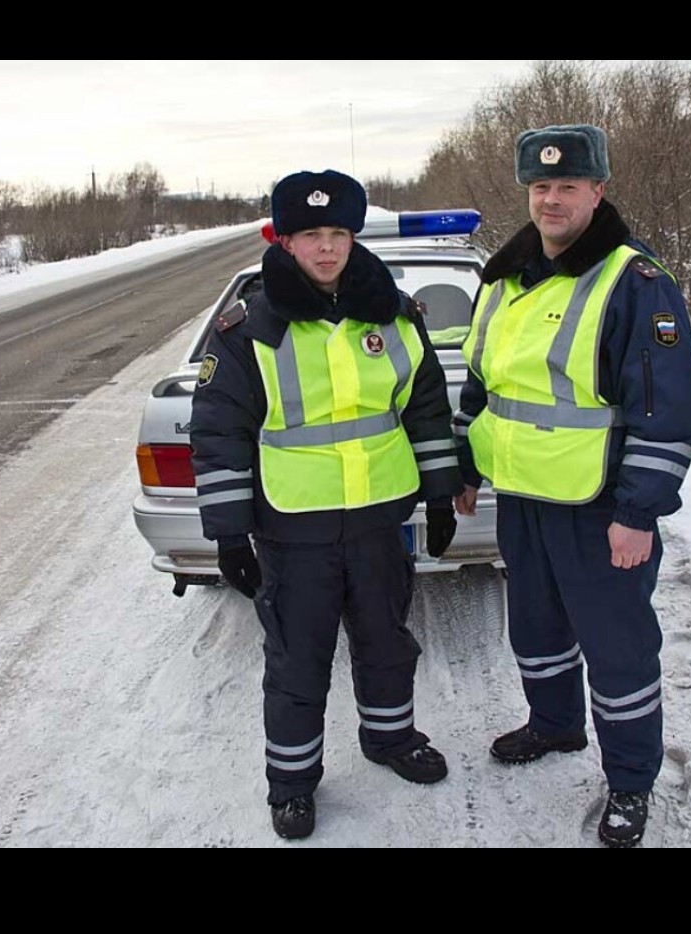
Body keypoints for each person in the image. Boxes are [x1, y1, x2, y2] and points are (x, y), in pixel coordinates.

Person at [189, 169, 463, 840]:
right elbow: (218, 432)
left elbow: (424, 407)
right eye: (310, 234)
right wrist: (229, 536)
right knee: (297, 661)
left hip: (378, 521)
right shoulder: (247, 327)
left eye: (337, 233)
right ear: (285, 241)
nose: (326, 248)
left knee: (386, 644)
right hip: (293, 527)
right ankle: (291, 783)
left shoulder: (395, 317)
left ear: (352, 236)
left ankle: (390, 740)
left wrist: (438, 496)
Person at [454, 124, 691, 848]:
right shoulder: (505, 280)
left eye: (567, 186)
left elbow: (668, 411)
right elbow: (484, 381)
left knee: (617, 649)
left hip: (599, 508)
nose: (551, 198)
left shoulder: (634, 282)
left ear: (597, 191)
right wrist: (469, 464)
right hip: (523, 497)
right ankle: (554, 724)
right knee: (535, 629)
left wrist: (636, 512)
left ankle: (629, 781)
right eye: (540, 187)